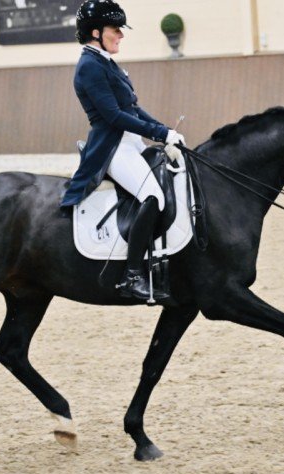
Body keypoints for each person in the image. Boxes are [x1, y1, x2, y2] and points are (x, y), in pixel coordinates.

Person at [60, 0, 185, 301]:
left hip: (131, 144)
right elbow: (114, 116)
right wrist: (160, 134)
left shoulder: (105, 62)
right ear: (95, 32)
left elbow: (134, 109)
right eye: (116, 29)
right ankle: (132, 276)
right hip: (113, 147)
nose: (121, 35)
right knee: (152, 197)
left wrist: (166, 131)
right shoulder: (89, 66)